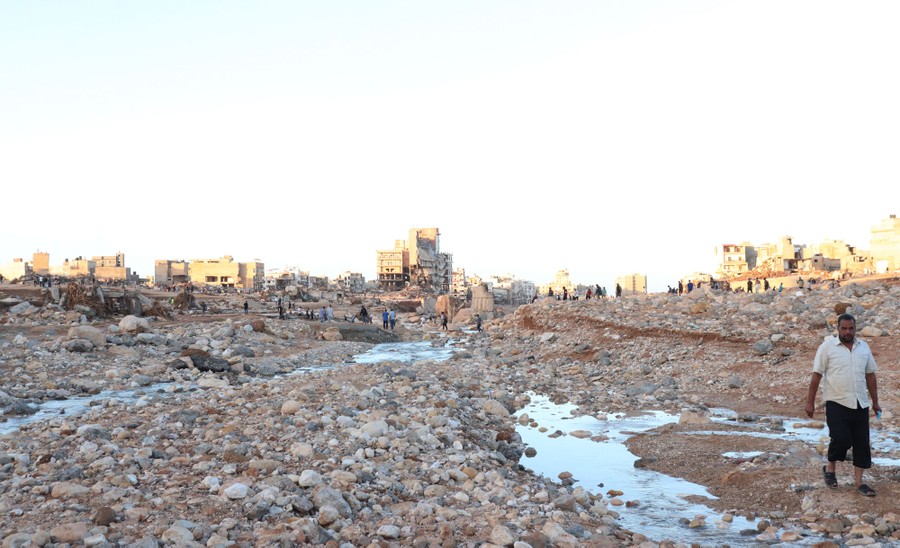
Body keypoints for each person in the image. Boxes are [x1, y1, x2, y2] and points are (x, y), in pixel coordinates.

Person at [805, 313, 880, 497]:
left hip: (860, 402)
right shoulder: (827, 347)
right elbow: (816, 376)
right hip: (836, 401)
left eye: (851, 328)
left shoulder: (864, 348)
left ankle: (859, 483)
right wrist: (810, 402)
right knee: (841, 439)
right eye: (844, 328)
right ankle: (830, 468)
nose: (847, 332)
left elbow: (870, 375)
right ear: (838, 329)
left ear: (855, 328)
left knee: (862, 443)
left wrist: (875, 402)